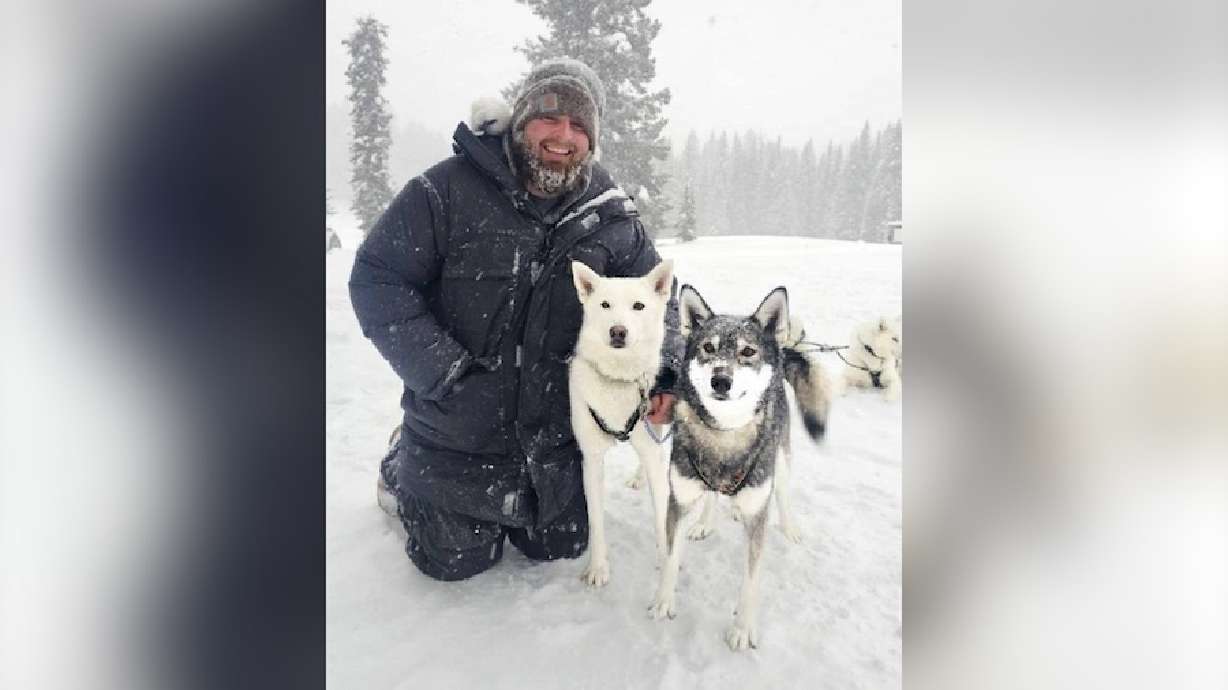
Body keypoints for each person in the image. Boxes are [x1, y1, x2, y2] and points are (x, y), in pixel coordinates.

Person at [349, 57, 680, 581]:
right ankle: (401, 466)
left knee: (562, 547)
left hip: (552, 440)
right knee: (453, 562)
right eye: (550, 117)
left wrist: (667, 375)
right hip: (460, 432)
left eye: (579, 125)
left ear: (592, 141)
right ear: (521, 120)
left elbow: (660, 301)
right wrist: (442, 370)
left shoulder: (610, 216)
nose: (563, 135)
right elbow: (376, 278)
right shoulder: (448, 191)